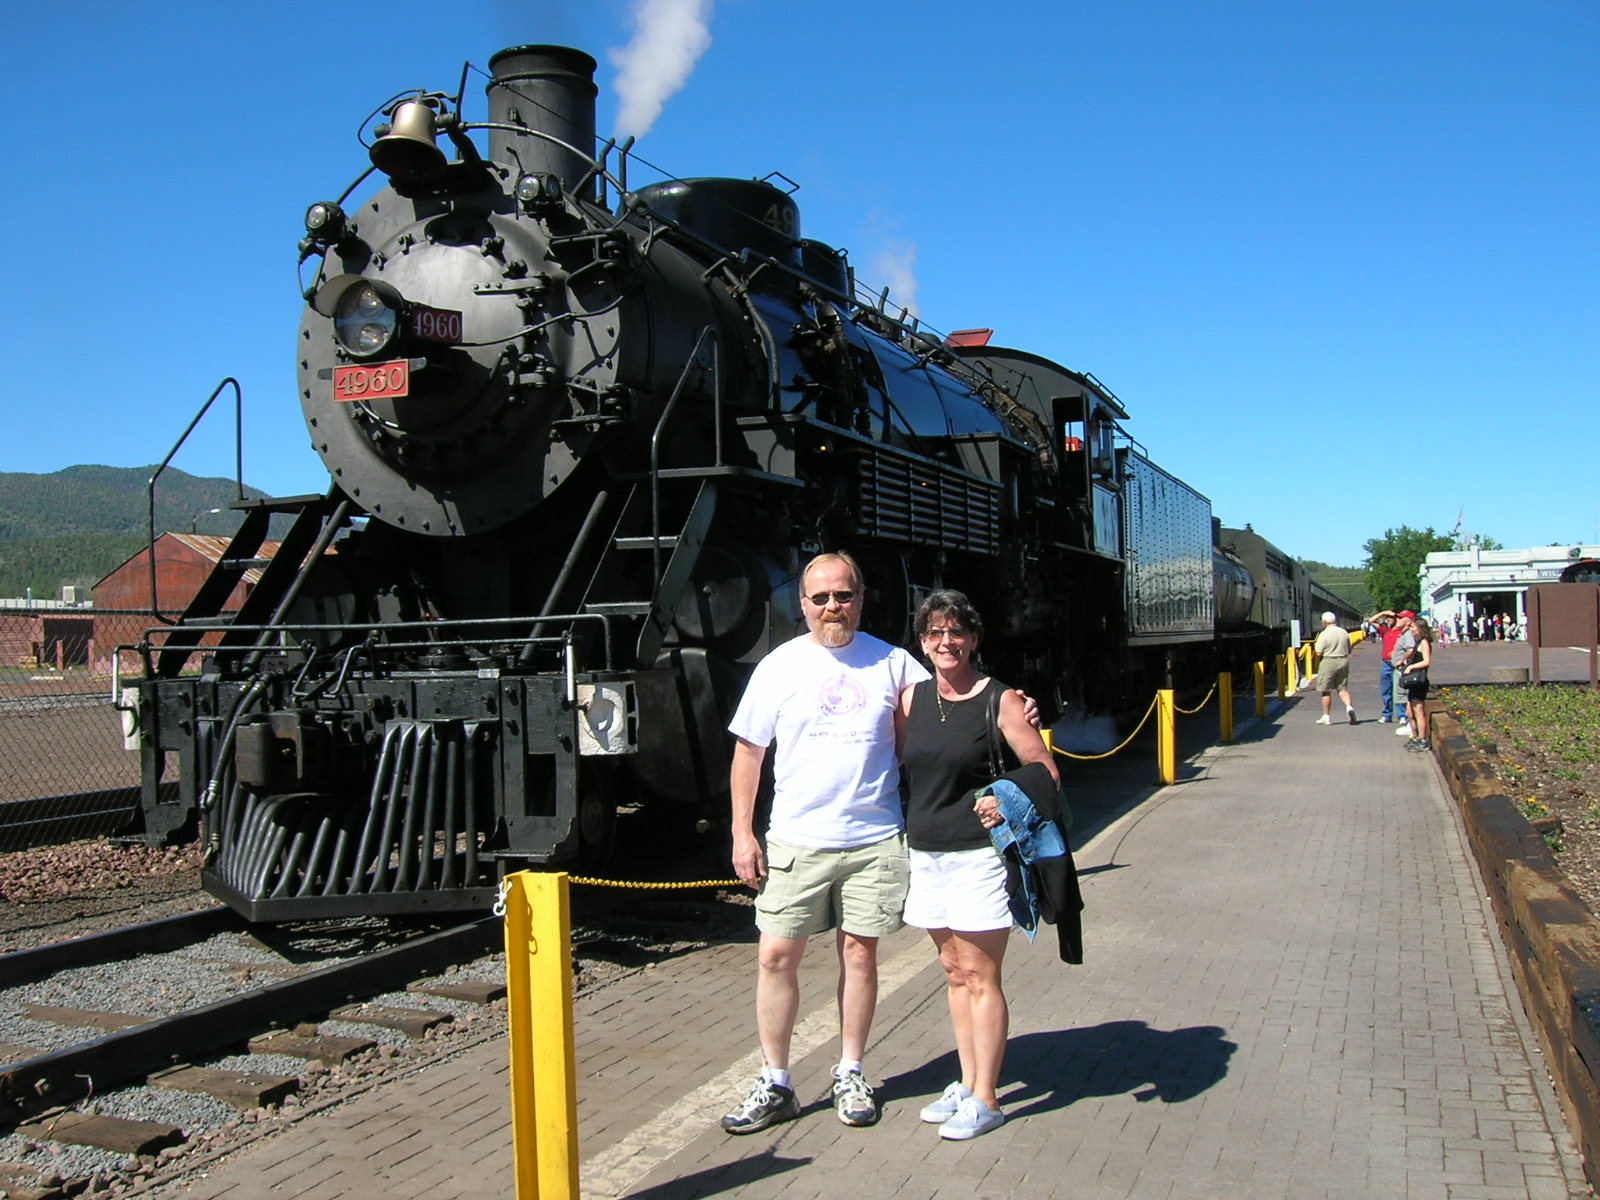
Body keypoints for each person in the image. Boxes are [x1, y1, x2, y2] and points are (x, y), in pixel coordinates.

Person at [721, 551, 924, 1134]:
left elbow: (924, 739)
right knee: (776, 955)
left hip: (873, 839)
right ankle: (776, 1080)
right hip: (796, 839)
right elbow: (749, 753)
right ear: (802, 604)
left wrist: (1007, 708)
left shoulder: (894, 665)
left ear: (861, 598)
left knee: (860, 955)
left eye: (844, 596)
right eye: (820, 598)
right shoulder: (778, 667)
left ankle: (851, 1069)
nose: (832, 607)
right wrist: (742, 832)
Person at [895, 590, 1059, 1141]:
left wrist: (1006, 793)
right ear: (921, 642)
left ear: (974, 638)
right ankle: (967, 1084)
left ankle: (987, 1098)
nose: (946, 642)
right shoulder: (911, 700)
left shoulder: (1002, 699)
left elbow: (1045, 771)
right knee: (954, 973)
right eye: (935, 633)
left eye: (956, 632)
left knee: (982, 975)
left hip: (979, 858)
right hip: (928, 855)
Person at [1312, 611, 1356, 725]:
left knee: (1325, 690)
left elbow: (1318, 653)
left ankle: (1326, 716)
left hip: (1329, 661)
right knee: (1342, 689)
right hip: (1343, 661)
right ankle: (1349, 707)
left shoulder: (1324, 634)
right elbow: (1349, 649)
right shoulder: (1344, 632)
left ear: (1324, 622)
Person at [1397, 616, 1434, 751]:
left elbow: (1426, 661)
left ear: (1420, 629)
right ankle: (1415, 736)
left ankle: (1423, 740)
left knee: (1419, 712)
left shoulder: (1424, 643)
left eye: (1413, 627)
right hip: (1413, 682)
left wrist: (1412, 667)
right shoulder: (1417, 643)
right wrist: (1403, 661)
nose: (1411, 629)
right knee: (1410, 713)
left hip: (1419, 681)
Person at [1370, 610, 1413, 724]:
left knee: (1399, 690)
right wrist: (1383, 612)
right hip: (1386, 663)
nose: (1388, 619)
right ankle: (1387, 714)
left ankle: (1402, 715)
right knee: (1386, 690)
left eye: (1391, 617)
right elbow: (1371, 621)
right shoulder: (1386, 631)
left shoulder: (1403, 633)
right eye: (1387, 617)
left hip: (1398, 664)